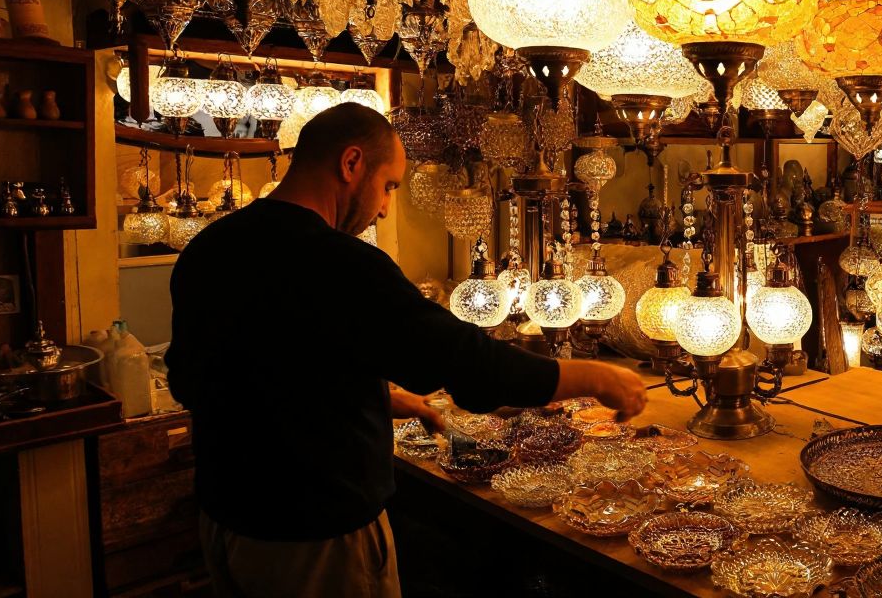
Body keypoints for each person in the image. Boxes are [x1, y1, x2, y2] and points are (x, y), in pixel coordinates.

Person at [166, 103, 647, 598]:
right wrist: (595, 377)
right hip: (314, 538)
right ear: (351, 163)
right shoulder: (342, 264)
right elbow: (473, 368)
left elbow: (216, 376)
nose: (385, 207)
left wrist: (383, 398)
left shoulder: (211, 249)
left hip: (227, 526)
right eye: (390, 185)